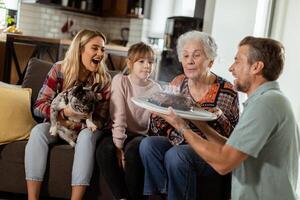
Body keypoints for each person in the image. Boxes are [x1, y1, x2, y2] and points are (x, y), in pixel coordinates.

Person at [156, 36, 300, 200]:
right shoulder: (266, 100)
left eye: (237, 61)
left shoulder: (266, 104)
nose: (231, 69)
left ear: (256, 67)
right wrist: (200, 123)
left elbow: (224, 163)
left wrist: (181, 126)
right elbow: (231, 149)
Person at [139, 31, 240, 200]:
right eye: (185, 56)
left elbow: (230, 137)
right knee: (148, 145)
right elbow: (159, 126)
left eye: (196, 55)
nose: (189, 61)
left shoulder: (226, 90)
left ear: (211, 61)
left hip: (208, 149)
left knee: (176, 154)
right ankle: (160, 194)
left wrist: (214, 116)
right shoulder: (178, 82)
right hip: (180, 140)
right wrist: (158, 112)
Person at [24, 29, 111, 200]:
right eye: (95, 48)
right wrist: (63, 114)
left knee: (86, 137)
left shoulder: (104, 79)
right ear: (80, 49)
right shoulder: (59, 69)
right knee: (37, 132)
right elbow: (39, 105)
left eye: (102, 49)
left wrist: (76, 124)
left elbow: (101, 119)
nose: (100, 54)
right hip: (58, 124)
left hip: (87, 128)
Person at [96, 42, 160, 200]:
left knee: (133, 151)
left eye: (150, 62)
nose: (147, 66)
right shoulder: (120, 81)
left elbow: (155, 123)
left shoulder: (156, 89)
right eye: (141, 61)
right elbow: (119, 115)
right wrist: (118, 146)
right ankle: (122, 197)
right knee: (105, 150)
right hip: (118, 131)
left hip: (140, 135)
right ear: (129, 63)